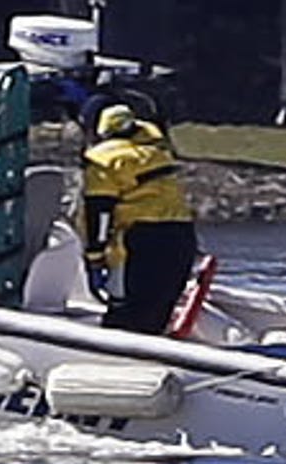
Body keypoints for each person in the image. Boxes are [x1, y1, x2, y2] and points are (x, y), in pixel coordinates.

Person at [81, 101, 198, 335]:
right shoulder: (157, 154)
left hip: (141, 240)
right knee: (157, 309)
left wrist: (95, 254)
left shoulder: (105, 160)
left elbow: (99, 211)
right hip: (181, 237)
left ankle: (115, 359)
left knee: (126, 311)